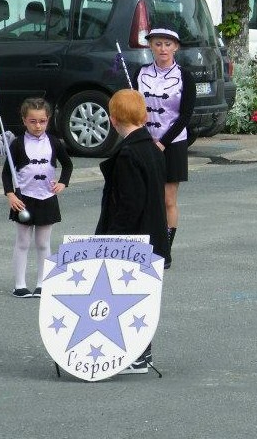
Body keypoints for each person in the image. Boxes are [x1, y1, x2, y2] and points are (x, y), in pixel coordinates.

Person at [96, 88, 168, 374]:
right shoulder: (152, 147)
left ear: (113, 119)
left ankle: (136, 355)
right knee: (141, 297)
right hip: (153, 234)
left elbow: (128, 205)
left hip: (132, 240)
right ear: (144, 115)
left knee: (127, 298)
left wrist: (111, 239)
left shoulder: (128, 154)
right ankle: (142, 352)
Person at [133, 26, 195, 269]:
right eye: (158, 44)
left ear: (176, 47)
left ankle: (164, 248)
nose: (163, 49)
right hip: (145, 143)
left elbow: (185, 115)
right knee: (146, 198)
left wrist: (162, 142)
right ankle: (146, 245)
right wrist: (142, 137)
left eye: (168, 44)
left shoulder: (184, 76)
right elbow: (133, 109)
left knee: (168, 200)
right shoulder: (140, 73)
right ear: (151, 46)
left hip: (172, 144)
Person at [3, 98, 73, 298]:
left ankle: (43, 284)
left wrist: (63, 183)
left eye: (42, 121)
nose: (38, 126)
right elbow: (7, 172)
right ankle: (19, 285)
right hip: (23, 199)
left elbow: (67, 165)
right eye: (33, 121)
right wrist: (10, 194)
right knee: (23, 242)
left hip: (47, 198)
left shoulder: (54, 142)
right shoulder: (17, 144)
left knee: (43, 243)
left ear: (48, 119)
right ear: (24, 120)